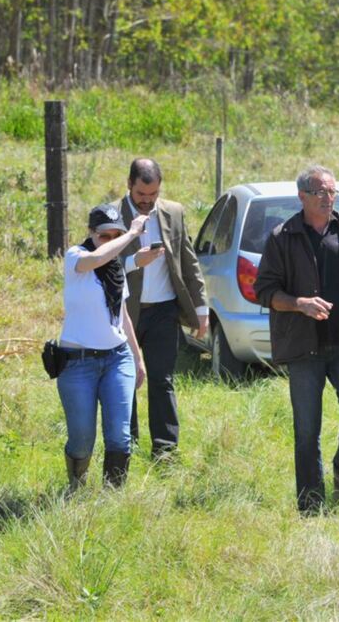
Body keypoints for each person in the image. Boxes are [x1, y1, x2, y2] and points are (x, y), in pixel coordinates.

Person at [253, 165, 339, 513]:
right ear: (302, 197)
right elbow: (264, 291)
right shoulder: (282, 237)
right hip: (303, 348)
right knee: (307, 430)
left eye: (332, 192)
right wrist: (299, 304)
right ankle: (311, 507)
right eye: (320, 193)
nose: (328, 199)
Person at [115, 158, 208, 459]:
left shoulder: (174, 212)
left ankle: (165, 449)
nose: (147, 201)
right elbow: (96, 263)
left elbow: (189, 260)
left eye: (153, 195)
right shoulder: (112, 216)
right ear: (129, 185)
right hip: (125, 312)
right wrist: (132, 262)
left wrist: (201, 307)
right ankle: (125, 445)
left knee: (162, 378)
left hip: (165, 311)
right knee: (125, 378)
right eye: (142, 195)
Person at [57, 204, 150, 490]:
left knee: (120, 437)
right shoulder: (77, 258)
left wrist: (138, 358)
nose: (109, 242)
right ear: (91, 234)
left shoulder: (116, 270)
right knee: (82, 440)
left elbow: (121, 317)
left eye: (115, 235)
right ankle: (77, 485)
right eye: (103, 236)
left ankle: (112, 499)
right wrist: (132, 232)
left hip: (116, 358)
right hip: (77, 362)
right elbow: (96, 257)